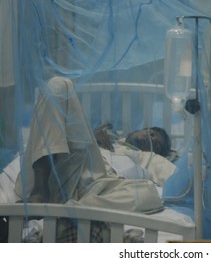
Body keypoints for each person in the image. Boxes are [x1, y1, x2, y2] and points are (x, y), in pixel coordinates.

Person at [14, 76, 164, 216]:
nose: (151, 139)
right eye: (151, 133)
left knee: (149, 194)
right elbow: (54, 129)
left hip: (94, 187)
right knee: (59, 84)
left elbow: (177, 183)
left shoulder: (148, 158)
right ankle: (40, 192)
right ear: (141, 129)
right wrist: (90, 135)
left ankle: (66, 211)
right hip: (51, 171)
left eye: (157, 144)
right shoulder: (99, 136)